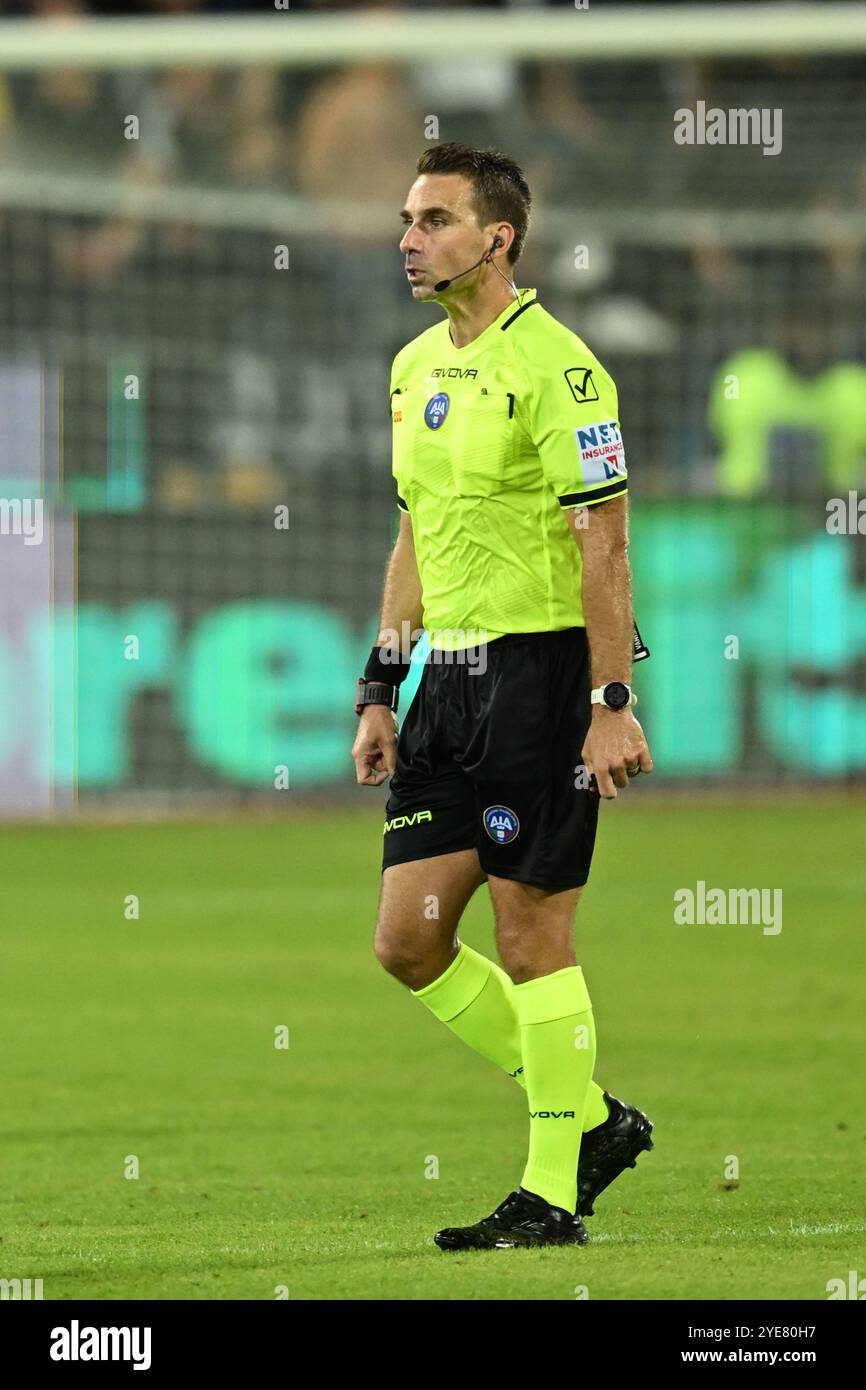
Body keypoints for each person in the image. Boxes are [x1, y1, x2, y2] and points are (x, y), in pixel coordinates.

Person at [351, 143, 654, 1251]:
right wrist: (382, 682)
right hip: (447, 686)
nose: (408, 237)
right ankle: (588, 1114)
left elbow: (605, 543)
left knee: (532, 942)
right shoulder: (410, 367)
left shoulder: (564, 369)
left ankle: (552, 1192)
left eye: (433, 219)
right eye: (406, 218)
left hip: (537, 678)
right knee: (406, 942)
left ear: (497, 237)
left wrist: (608, 697)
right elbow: (412, 536)